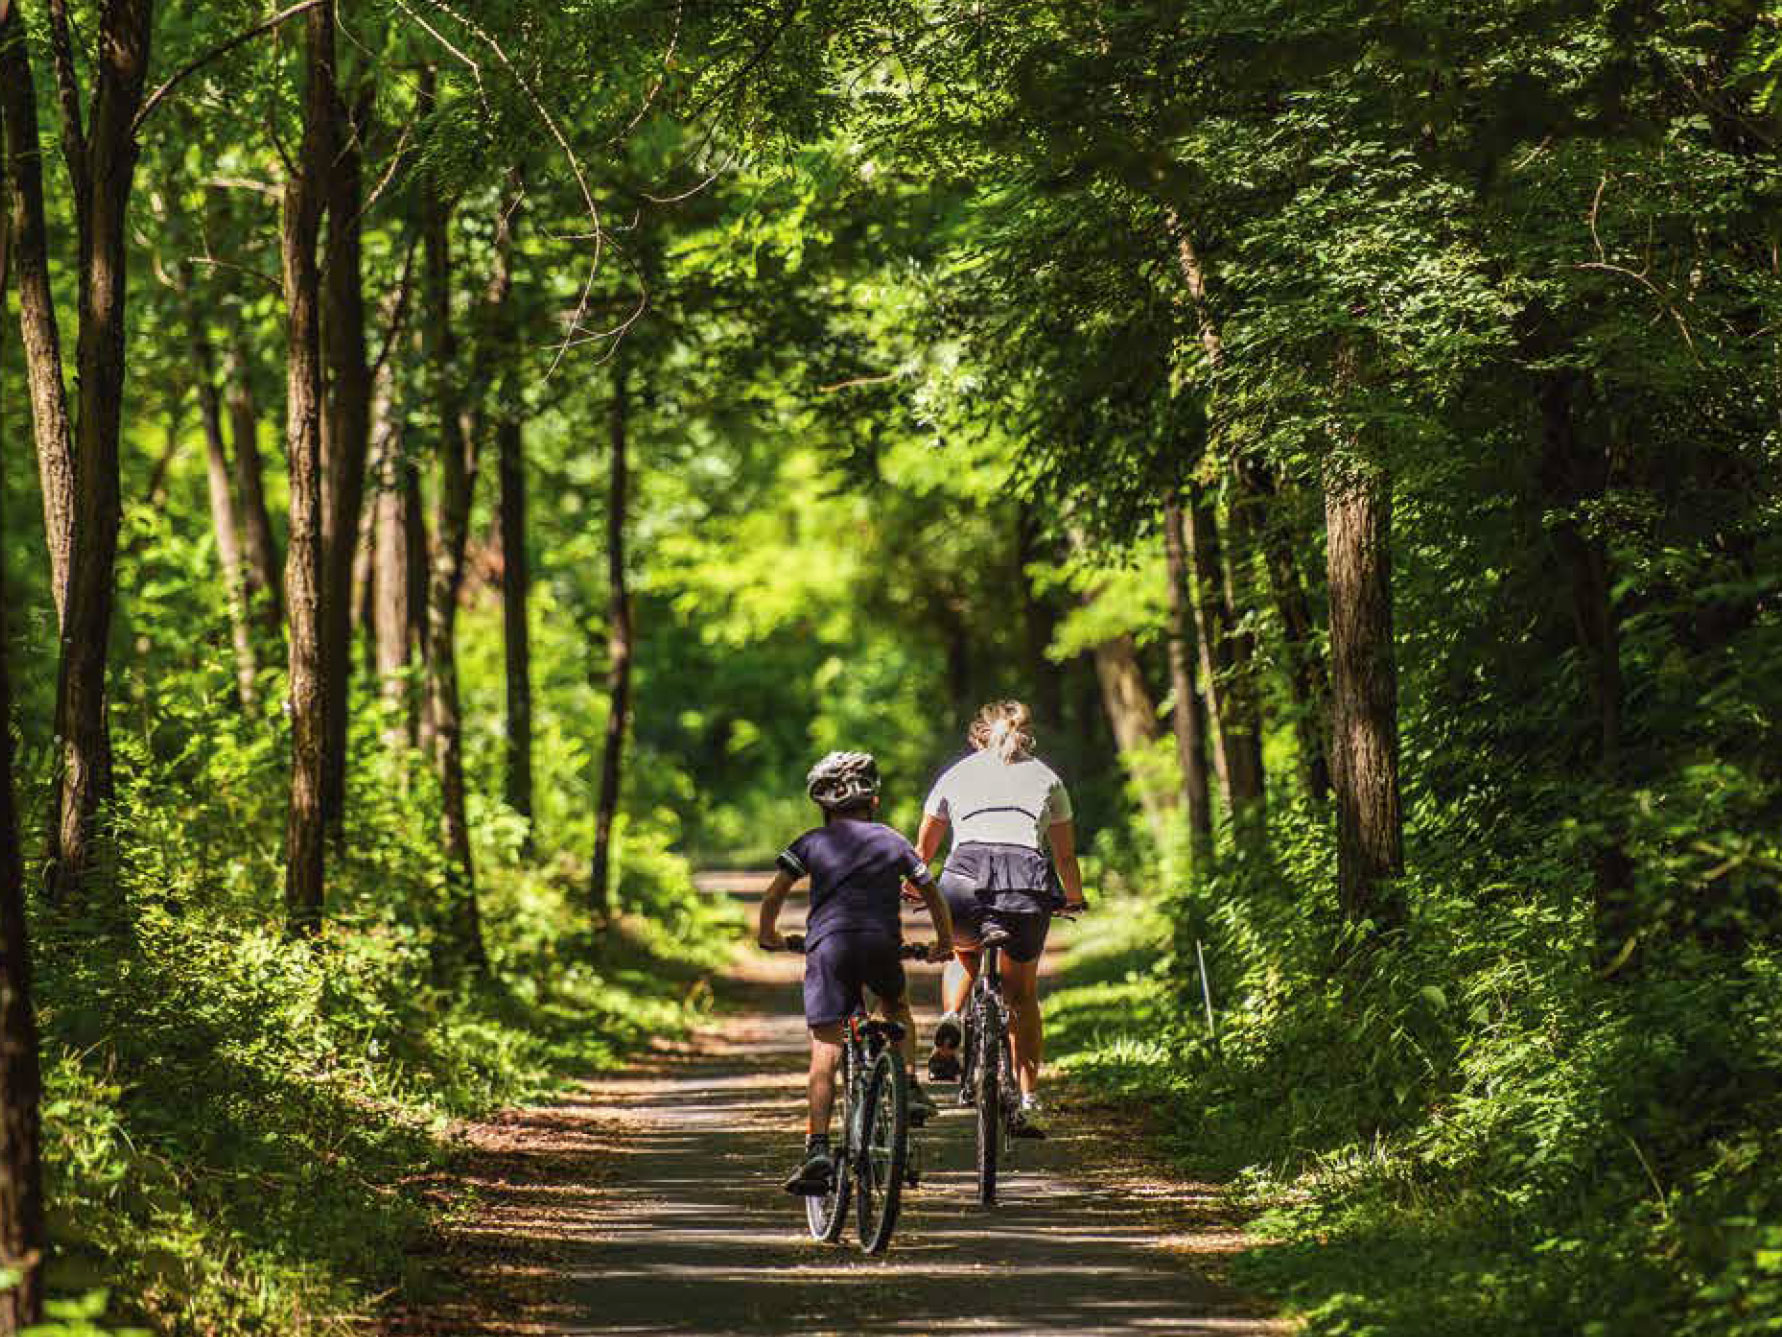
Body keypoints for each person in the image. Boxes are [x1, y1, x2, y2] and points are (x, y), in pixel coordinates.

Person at [758, 750, 955, 1196]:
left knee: (826, 1045)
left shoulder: (810, 842)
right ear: (875, 802)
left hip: (828, 948)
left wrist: (769, 936)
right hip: (881, 944)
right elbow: (933, 894)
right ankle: (907, 1084)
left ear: (823, 806)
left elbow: (773, 897)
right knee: (895, 1004)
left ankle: (818, 1148)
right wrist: (943, 942)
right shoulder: (893, 841)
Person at [915, 700, 1085, 1138]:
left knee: (962, 950)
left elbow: (924, 852)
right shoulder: (1048, 778)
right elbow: (1064, 854)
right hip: (1025, 884)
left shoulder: (956, 774)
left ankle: (952, 1015)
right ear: (1028, 735)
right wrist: (1073, 897)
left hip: (962, 880)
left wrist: (916, 887)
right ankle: (1028, 1099)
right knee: (1021, 996)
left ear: (978, 736)